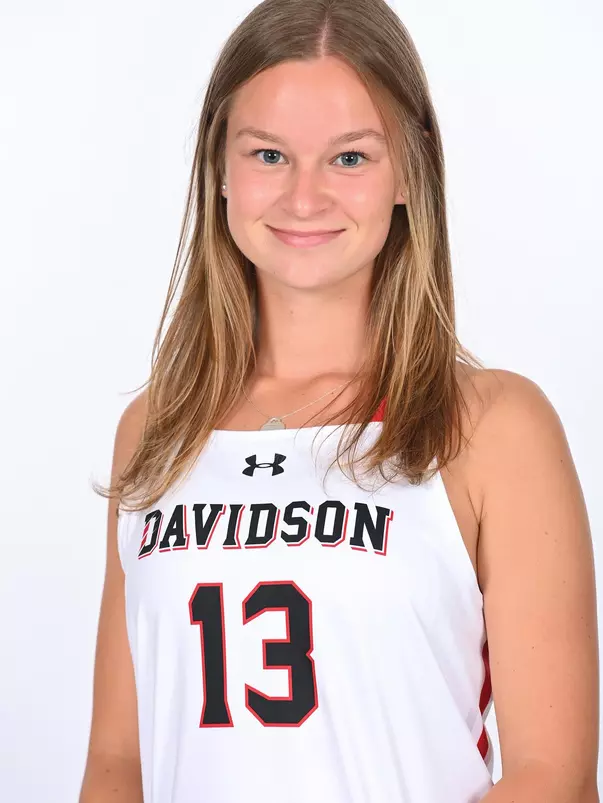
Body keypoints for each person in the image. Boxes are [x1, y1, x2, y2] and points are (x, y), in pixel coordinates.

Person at [79, 1, 599, 801]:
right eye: (269, 154)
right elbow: (120, 759)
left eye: (349, 158)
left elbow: (550, 777)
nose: (305, 196)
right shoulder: (156, 427)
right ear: (219, 165)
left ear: (408, 170)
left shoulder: (492, 426)